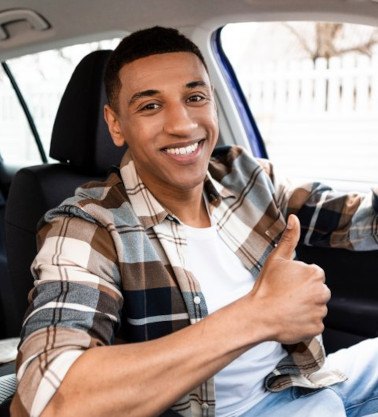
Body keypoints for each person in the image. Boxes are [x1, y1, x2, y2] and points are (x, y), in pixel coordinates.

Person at [11, 26, 378, 417]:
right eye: (150, 106)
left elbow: (354, 218)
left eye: (195, 97)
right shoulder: (87, 226)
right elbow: (53, 401)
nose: (183, 124)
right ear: (116, 124)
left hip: (302, 380)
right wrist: (258, 315)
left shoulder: (242, 174)